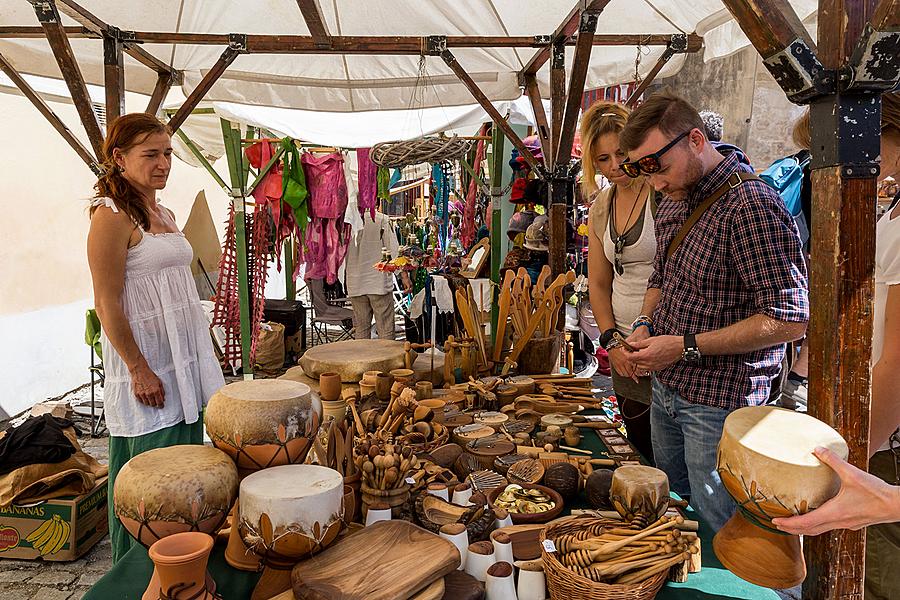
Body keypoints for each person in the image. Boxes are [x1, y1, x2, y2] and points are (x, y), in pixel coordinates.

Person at [618, 89, 809, 531]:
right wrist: (646, 324)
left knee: (725, 527)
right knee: (676, 513)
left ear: (697, 141)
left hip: (721, 403)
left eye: (658, 167)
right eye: (641, 171)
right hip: (668, 388)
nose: (654, 182)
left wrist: (683, 347)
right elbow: (661, 277)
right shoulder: (672, 198)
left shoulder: (751, 206)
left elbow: (789, 318)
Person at [773, 92, 900, 600]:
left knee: (878, 574)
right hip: (882, 434)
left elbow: (896, 360)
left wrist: (856, 457)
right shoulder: (890, 211)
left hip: (886, 439)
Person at [87, 113, 225, 563]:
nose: (163, 163)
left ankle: (182, 558)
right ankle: (138, 569)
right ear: (119, 158)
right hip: (148, 366)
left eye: (167, 153)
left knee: (183, 465)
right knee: (149, 474)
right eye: (151, 154)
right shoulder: (110, 217)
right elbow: (107, 303)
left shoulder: (162, 211)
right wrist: (138, 368)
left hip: (183, 360)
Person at [581, 101, 657, 462]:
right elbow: (598, 282)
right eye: (603, 159)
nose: (615, 167)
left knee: (673, 457)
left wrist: (645, 339)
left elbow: (673, 274)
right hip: (624, 347)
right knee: (640, 446)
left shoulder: (662, 193)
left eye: (621, 153)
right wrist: (611, 341)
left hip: (666, 344)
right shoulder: (602, 205)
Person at [345, 210, 399, 339]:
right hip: (378, 282)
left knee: (361, 329)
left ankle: (363, 359)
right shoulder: (381, 220)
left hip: (355, 282)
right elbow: (393, 250)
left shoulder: (346, 222)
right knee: (385, 329)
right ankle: (387, 358)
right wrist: (402, 275)